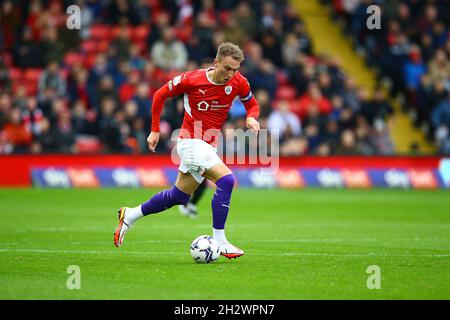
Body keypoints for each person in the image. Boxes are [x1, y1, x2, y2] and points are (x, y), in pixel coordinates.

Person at [114, 42, 260, 259]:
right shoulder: (192, 79)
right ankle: (220, 240)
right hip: (190, 142)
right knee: (227, 181)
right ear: (216, 62)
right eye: (227, 68)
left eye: (235, 69)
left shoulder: (239, 82)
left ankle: (130, 214)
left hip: (208, 144)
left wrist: (250, 117)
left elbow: (252, 104)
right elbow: (159, 95)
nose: (231, 74)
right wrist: (154, 130)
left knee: (179, 196)